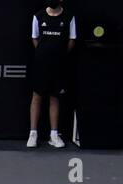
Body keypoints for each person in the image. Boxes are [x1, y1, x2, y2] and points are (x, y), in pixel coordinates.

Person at [28, 4, 77, 148]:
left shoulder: (69, 17)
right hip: (41, 64)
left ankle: (54, 135)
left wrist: (59, 55)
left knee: (55, 97)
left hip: (59, 65)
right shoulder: (38, 16)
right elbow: (34, 38)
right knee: (37, 96)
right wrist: (44, 55)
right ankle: (33, 134)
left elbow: (72, 39)